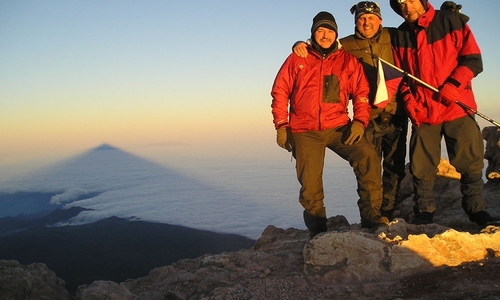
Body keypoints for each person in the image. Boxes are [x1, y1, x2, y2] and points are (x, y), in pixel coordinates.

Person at [271, 11, 389, 237]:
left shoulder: (347, 60)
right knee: (310, 181)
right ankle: (318, 231)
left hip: (338, 127)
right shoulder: (298, 58)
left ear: (336, 34)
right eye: (320, 30)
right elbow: (280, 92)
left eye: (330, 31)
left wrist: (359, 122)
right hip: (305, 130)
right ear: (313, 33)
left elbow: (362, 93)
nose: (325, 35)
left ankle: (371, 217)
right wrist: (281, 125)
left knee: (368, 157)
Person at [293, 2, 408, 221]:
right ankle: (371, 215)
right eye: (362, 18)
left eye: (371, 18)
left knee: (394, 167)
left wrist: (448, 18)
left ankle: (386, 212)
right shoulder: (344, 46)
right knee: (368, 164)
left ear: (380, 21)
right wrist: (300, 44)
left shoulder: (394, 37)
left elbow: (418, 32)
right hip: (369, 117)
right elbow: (322, 51)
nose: (366, 22)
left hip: (395, 112)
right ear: (356, 22)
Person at [389, 0, 498, 226]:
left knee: (471, 162)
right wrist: (410, 103)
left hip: (457, 105)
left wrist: (454, 85)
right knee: (421, 167)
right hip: (423, 112)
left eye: (409, 1)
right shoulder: (400, 35)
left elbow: (473, 59)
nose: (406, 7)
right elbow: (400, 78)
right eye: (400, 4)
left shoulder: (450, 21)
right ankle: (424, 212)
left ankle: (476, 211)